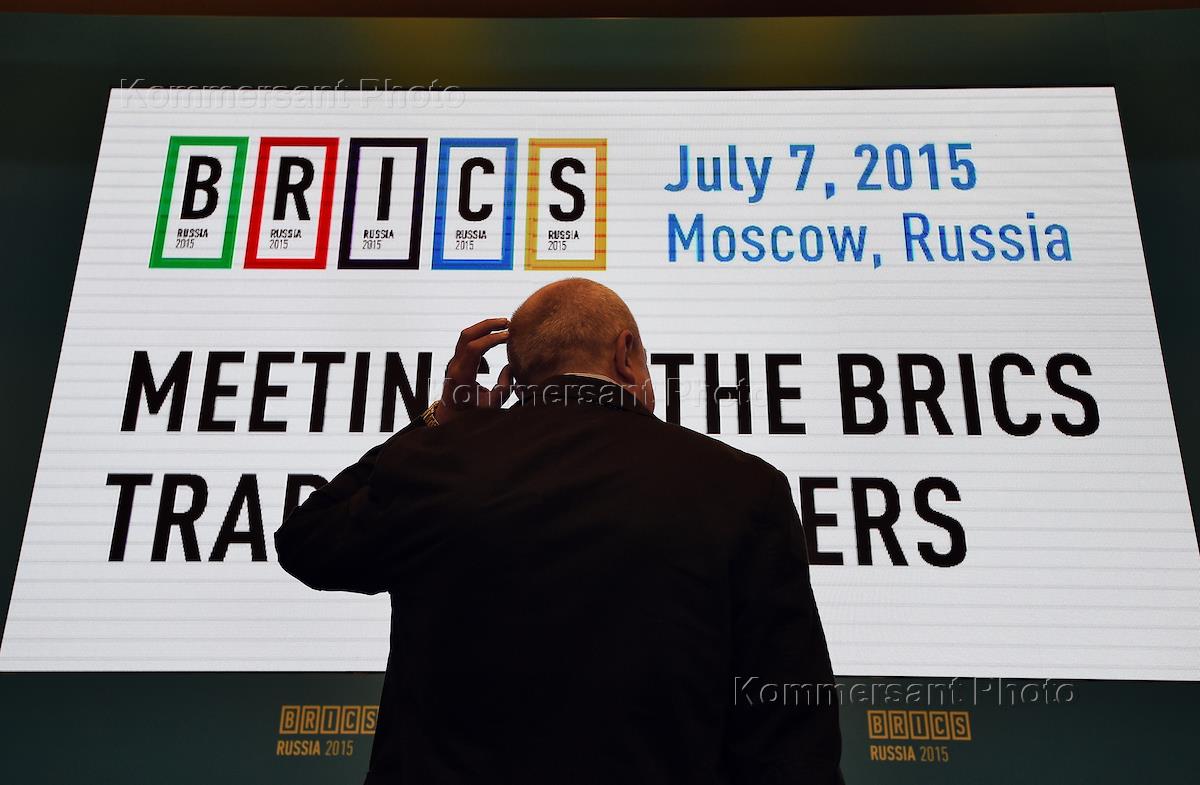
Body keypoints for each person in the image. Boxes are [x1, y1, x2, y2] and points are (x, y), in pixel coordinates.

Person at [275, 278, 843, 784]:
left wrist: (442, 418)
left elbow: (307, 540)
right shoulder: (744, 487)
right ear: (626, 355)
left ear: (518, 376)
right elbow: (790, 727)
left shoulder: (436, 464)